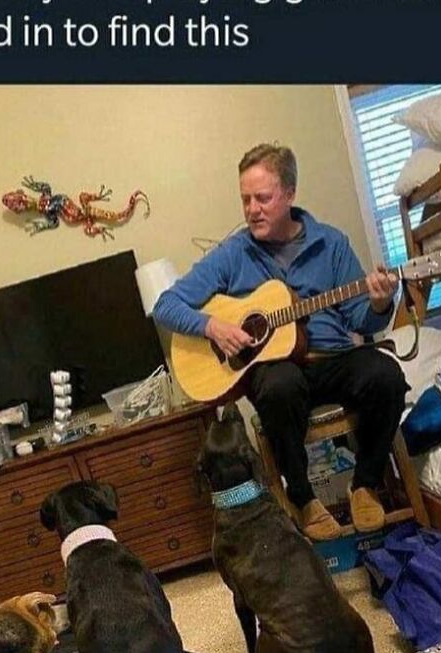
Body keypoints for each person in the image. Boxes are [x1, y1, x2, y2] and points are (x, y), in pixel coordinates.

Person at [154, 144, 408, 542]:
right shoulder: (234, 253)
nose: (252, 209)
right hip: (278, 372)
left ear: (289, 194)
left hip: (331, 357)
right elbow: (165, 305)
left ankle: (366, 484)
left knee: (387, 375)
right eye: (245, 199)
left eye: (263, 198)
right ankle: (304, 499)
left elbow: (361, 317)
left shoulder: (332, 244)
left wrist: (379, 301)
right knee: (278, 385)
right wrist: (212, 327)